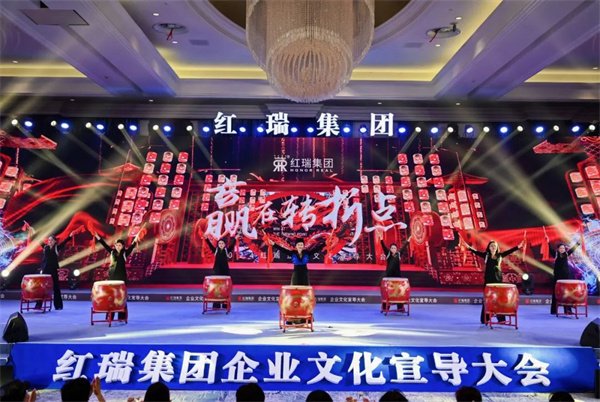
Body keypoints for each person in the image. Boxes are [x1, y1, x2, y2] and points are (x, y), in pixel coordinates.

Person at [462, 237, 524, 324]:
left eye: (494, 246)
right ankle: (485, 319)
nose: (493, 247)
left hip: (498, 281)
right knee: (487, 300)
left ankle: (501, 319)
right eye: (491, 246)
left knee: (499, 300)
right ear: (489, 247)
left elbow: (510, 251)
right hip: (488, 281)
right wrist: (468, 247)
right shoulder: (486, 255)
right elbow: (475, 251)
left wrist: (519, 246)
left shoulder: (500, 255)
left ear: (497, 247)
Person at [31, 223, 80, 310]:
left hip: (53, 270)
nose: (49, 241)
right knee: (42, 288)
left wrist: (70, 235)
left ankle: (58, 305)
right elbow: (39, 240)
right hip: (45, 270)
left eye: (51, 240)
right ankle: (38, 305)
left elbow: (65, 242)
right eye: (49, 240)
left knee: (56, 288)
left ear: (54, 241)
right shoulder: (45, 247)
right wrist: (33, 230)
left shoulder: (57, 248)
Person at [94, 232, 139, 320]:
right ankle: (110, 317)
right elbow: (104, 244)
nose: (118, 247)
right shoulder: (112, 252)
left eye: (120, 245)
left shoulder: (125, 253)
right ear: (115, 246)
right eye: (117, 245)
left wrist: (136, 238)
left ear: (123, 246)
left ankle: (121, 317)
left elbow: (132, 245)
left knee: (121, 297)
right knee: (111, 297)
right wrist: (97, 236)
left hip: (121, 279)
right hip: (112, 278)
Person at [546, 235, 580, 315]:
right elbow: (550, 249)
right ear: (558, 249)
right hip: (557, 277)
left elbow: (572, 249)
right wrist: (548, 242)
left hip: (566, 277)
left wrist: (577, 244)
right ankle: (554, 310)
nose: (562, 249)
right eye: (561, 248)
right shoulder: (555, 254)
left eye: (563, 248)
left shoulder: (566, 254)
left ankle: (567, 310)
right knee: (556, 293)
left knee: (567, 293)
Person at [378, 230, 411, 311]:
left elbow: (404, 247)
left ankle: (400, 307)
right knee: (387, 292)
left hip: (397, 276)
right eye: (392, 248)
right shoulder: (388, 254)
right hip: (389, 276)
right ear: (390, 249)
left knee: (399, 292)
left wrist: (408, 241)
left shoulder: (399, 254)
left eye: (394, 248)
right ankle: (385, 307)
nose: (393, 249)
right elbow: (383, 246)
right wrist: (381, 239)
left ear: (396, 249)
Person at [205, 236, 235, 308]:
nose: (221, 245)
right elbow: (210, 245)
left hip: (225, 271)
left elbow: (232, 245)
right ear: (218, 244)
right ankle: (216, 304)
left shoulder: (227, 250)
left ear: (224, 244)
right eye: (219, 243)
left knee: (225, 288)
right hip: (217, 272)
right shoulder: (215, 250)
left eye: (222, 243)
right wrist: (206, 239)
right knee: (216, 287)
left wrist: (235, 239)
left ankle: (225, 304)